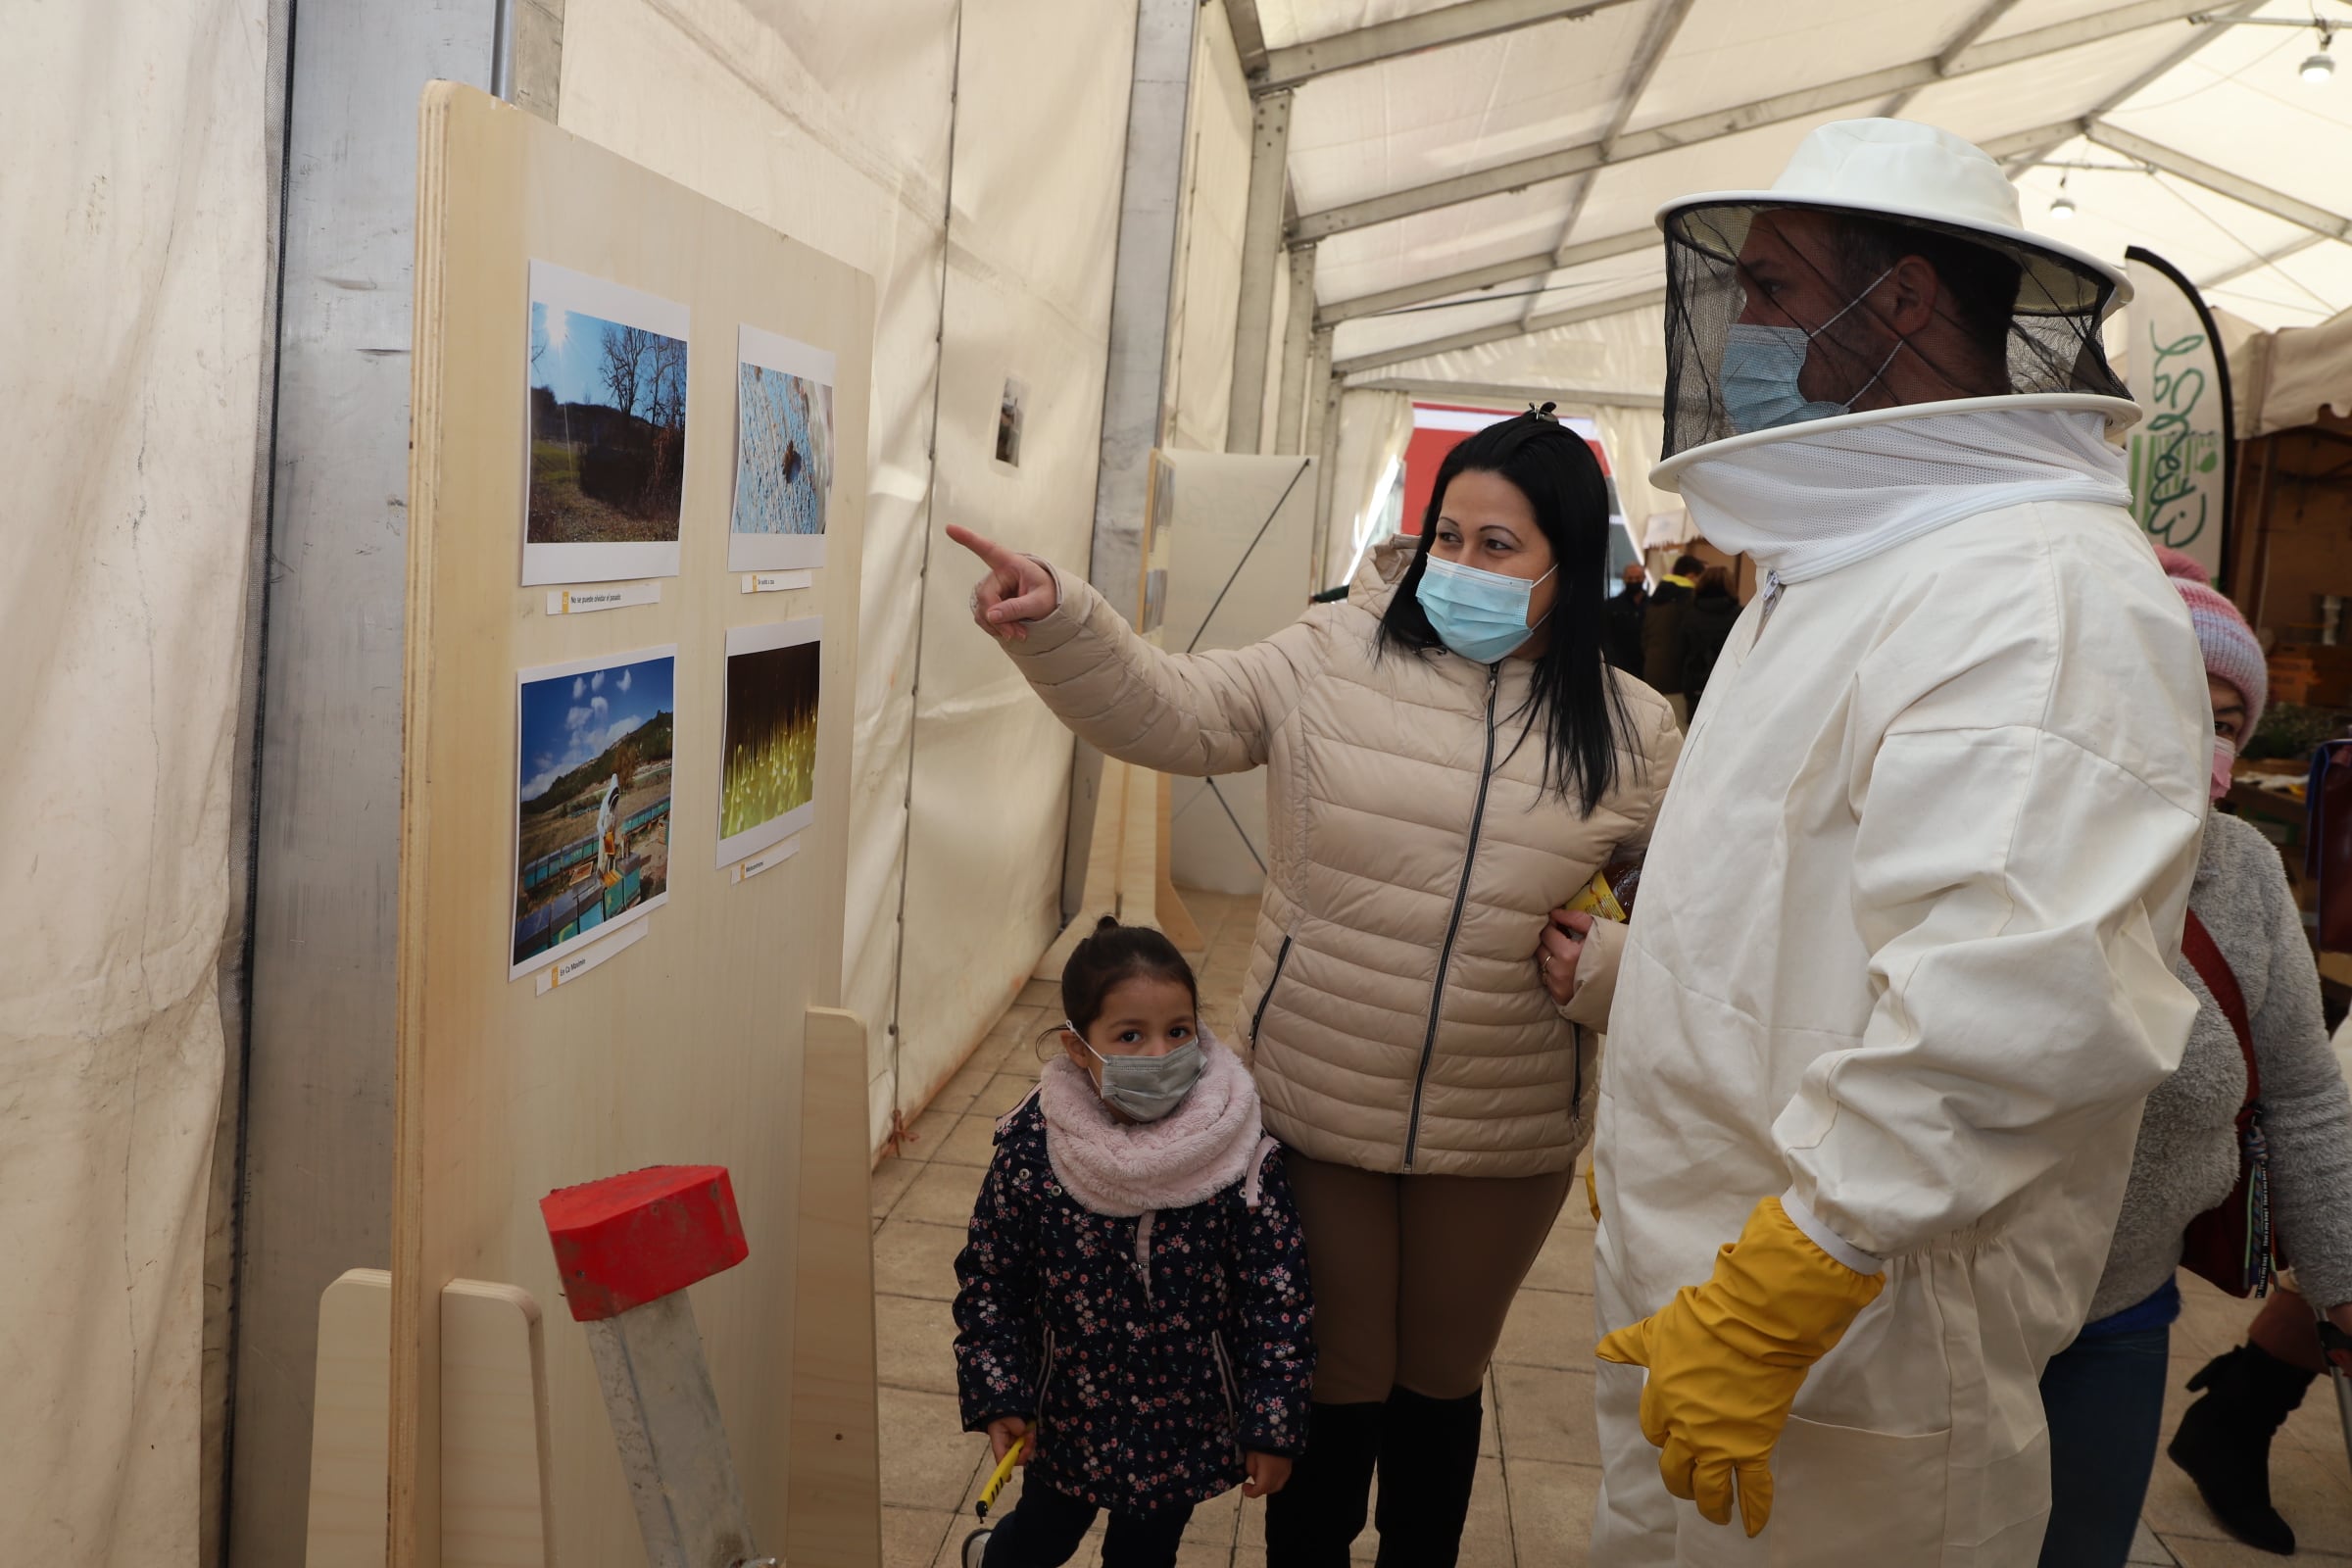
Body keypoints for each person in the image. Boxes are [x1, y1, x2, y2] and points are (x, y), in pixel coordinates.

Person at [1587, 119, 2210, 1565]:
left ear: (1908, 302)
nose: (1739, 330)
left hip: (1855, 1336)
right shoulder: (1866, 563)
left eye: (1773, 292)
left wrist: (1791, 1279)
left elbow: (2015, 1001)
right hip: (1710, 1306)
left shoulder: (2040, 593)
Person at [949, 408, 1682, 1567]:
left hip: (1503, 1126)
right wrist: (1063, 620)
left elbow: (1704, 932)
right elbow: (1174, 707)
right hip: (1320, 1102)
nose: (1463, 566)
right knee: (1335, 1381)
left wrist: (1608, 968)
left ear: (1567, 563)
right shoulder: (1331, 653)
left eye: (1501, 546)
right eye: (1449, 535)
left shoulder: (1638, 734)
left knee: (1439, 1386)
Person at [2038, 552, 2352, 1563]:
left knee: (2080, 1546)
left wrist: (2340, 1291)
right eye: (2176, 700)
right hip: (1952, 1300)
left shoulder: (2245, 871)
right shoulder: (2005, 841)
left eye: (2226, 722)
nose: (2203, 741)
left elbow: (2304, 1092)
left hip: (2122, 1305)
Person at [953, 917, 1312, 1568]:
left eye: (1177, 1031)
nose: (1157, 1055)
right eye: (1129, 1035)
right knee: (1037, 1541)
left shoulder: (1239, 1153)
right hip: (1066, 1419)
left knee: (1144, 1557)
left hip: (1183, 1427)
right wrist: (999, 1390)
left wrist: (1272, 1421)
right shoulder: (1036, 1149)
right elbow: (992, 1280)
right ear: (1076, 1046)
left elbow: (1277, 1300)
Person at [1640, 554, 1702, 722]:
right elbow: (1690, 641)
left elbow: (1645, 637)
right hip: (1675, 677)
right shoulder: (1688, 599)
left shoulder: (1656, 597)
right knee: (1677, 729)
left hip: (1651, 671)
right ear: (1690, 576)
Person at [1675, 566, 1740, 715]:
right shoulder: (1740, 616)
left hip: (1696, 682)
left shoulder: (1690, 616)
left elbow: (1680, 652)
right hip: (1729, 684)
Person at [1603, 561, 1648, 672]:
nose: (1633, 581)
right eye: (1630, 578)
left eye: (1637, 578)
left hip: (1646, 663)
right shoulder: (1610, 606)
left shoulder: (1652, 605)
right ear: (1624, 578)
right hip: (1620, 663)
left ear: (1643, 578)